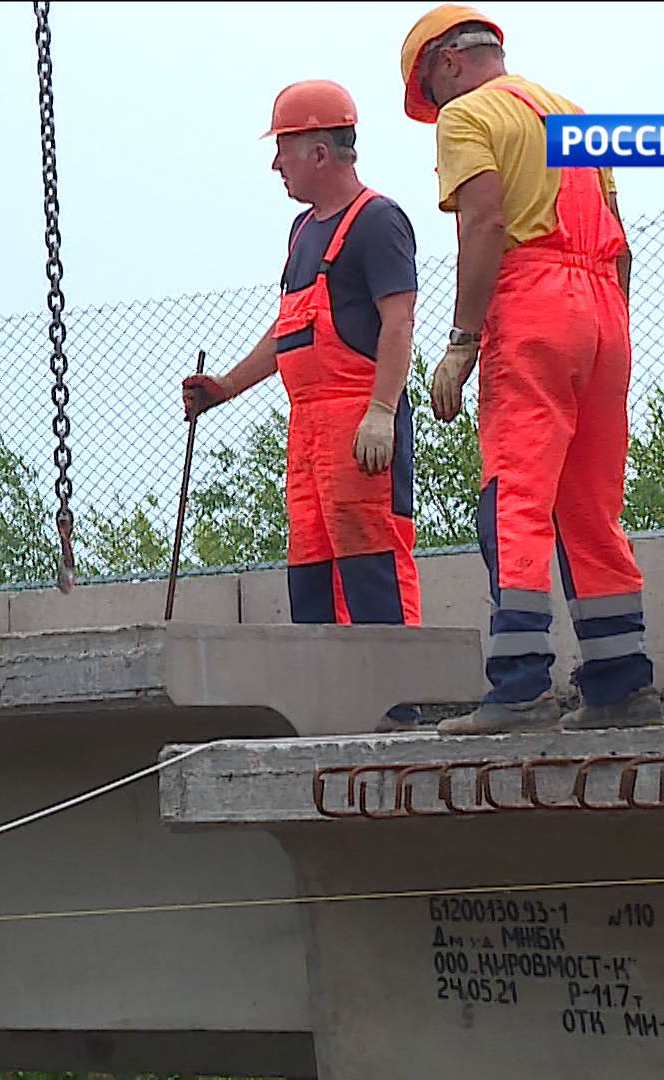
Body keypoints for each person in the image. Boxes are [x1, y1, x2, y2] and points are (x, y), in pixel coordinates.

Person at [401, 5, 662, 734]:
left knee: (515, 498)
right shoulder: (572, 114)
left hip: (535, 302)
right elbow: (623, 246)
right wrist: (610, 335)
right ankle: (621, 686)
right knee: (590, 505)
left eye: (431, 87)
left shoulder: (469, 118)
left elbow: (484, 224)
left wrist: (462, 341)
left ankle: (519, 689)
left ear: (448, 62)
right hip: (605, 309)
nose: (437, 108)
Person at [182, 80, 422, 731]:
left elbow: (397, 324)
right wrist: (228, 385)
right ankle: (328, 709)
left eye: (282, 148)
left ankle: (394, 708)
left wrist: (381, 411)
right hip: (309, 427)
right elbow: (289, 329)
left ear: (319, 150)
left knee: (371, 556)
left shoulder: (378, 221)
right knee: (312, 564)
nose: (275, 164)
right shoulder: (301, 233)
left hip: (358, 420)